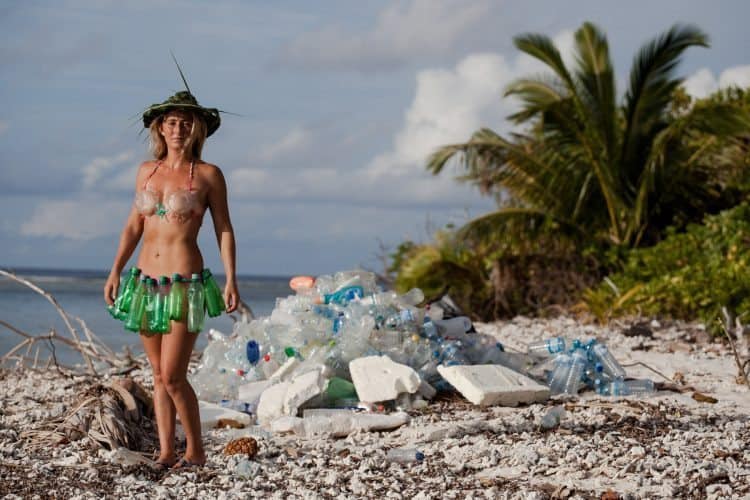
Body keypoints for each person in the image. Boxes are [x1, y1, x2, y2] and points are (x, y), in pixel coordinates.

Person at [103, 88, 239, 469]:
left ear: (197, 128)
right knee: (158, 377)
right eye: (172, 121)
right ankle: (166, 452)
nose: (178, 128)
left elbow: (224, 228)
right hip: (144, 282)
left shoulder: (209, 175)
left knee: (174, 375)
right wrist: (116, 269)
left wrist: (230, 279)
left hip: (184, 283)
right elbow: (134, 225)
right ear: (160, 127)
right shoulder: (146, 172)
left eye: (186, 122)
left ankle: (195, 450)